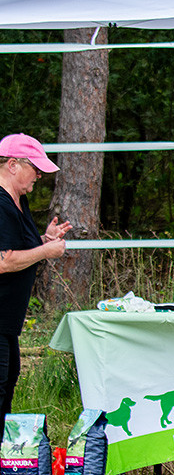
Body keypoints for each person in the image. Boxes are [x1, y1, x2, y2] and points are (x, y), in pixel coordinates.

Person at [0, 134, 71, 431]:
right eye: (36, 168)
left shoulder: (19, 202)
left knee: (7, 384)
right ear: (13, 165)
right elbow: (3, 261)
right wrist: (46, 251)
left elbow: (17, 248)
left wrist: (44, 240)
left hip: (8, 321)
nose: (39, 176)